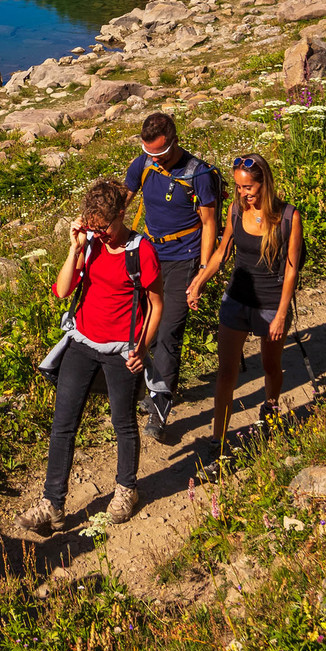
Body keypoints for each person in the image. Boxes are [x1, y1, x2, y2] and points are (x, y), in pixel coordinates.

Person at [23, 175, 163, 534]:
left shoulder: (141, 250)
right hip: (82, 344)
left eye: (105, 228)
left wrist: (142, 348)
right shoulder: (90, 244)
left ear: (122, 214)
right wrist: (75, 247)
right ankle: (52, 504)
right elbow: (63, 290)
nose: (100, 234)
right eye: (94, 228)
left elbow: (156, 303)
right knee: (63, 425)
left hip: (121, 351)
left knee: (123, 423)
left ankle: (126, 489)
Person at [189, 152, 303, 462]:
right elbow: (223, 251)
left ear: (264, 184)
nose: (243, 194)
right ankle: (218, 438)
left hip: (270, 303)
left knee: (270, 367)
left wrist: (281, 314)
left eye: (248, 187)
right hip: (236, 299)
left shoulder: (288, 217)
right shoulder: (236, 211)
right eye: (239, 188)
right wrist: (200, 281)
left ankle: (270, 405)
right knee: (225, 373)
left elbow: (291, 268)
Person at [123, 112, 222, 439]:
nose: (155, 160)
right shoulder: (143, 164)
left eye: (160, 154)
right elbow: (122, 202)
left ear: (175, 141)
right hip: (149, 255)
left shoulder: (200, 174)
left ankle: (160, 405)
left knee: (168, 331)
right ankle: (145, 387)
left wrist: (203, 273)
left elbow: (210, 225)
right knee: (138, 323)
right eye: (148, 153)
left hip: (185, 258)